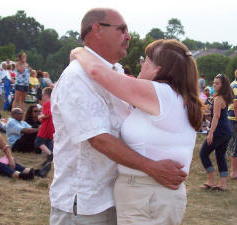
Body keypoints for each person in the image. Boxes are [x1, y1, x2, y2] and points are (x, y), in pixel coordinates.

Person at [50, 8, 189, 225]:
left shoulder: (116, 74)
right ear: (97, 29)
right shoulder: (77, 77)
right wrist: (151, 167)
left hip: (116, 197)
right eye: (122, 29)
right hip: (86, 201)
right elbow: (98, 138)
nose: (128, 36)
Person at [72, 38, 204, 224]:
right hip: (150, 194)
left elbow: (97, 72)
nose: (141, 64)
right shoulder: (173, 97)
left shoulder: (161, 93)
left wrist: (79, 51)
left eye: (145, 61)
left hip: (148, 194)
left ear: (158, 69)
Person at [199, 74, 234, 191]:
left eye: (217, 83)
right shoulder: (223, 97)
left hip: (219, 130)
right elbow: (217, 114)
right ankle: (223, 184)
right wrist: (205, 113)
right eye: (213, 83)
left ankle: (211, 181)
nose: (214, 85)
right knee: (220, 156)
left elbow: (216, 117)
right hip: (227, 130)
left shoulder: (218, 99)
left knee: (203, 153)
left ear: (223, 85)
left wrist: (210, 133)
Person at [34, 87, 54, 161]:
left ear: (47, 95)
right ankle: (51, 153)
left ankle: (49, 154)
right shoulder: (53, 102)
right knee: (49, 140)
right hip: (51, 125)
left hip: (46, 125)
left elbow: (48, 114)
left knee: (38, 141)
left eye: (43, 95)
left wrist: (40, 116)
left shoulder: (47, 104)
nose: (42, 97)